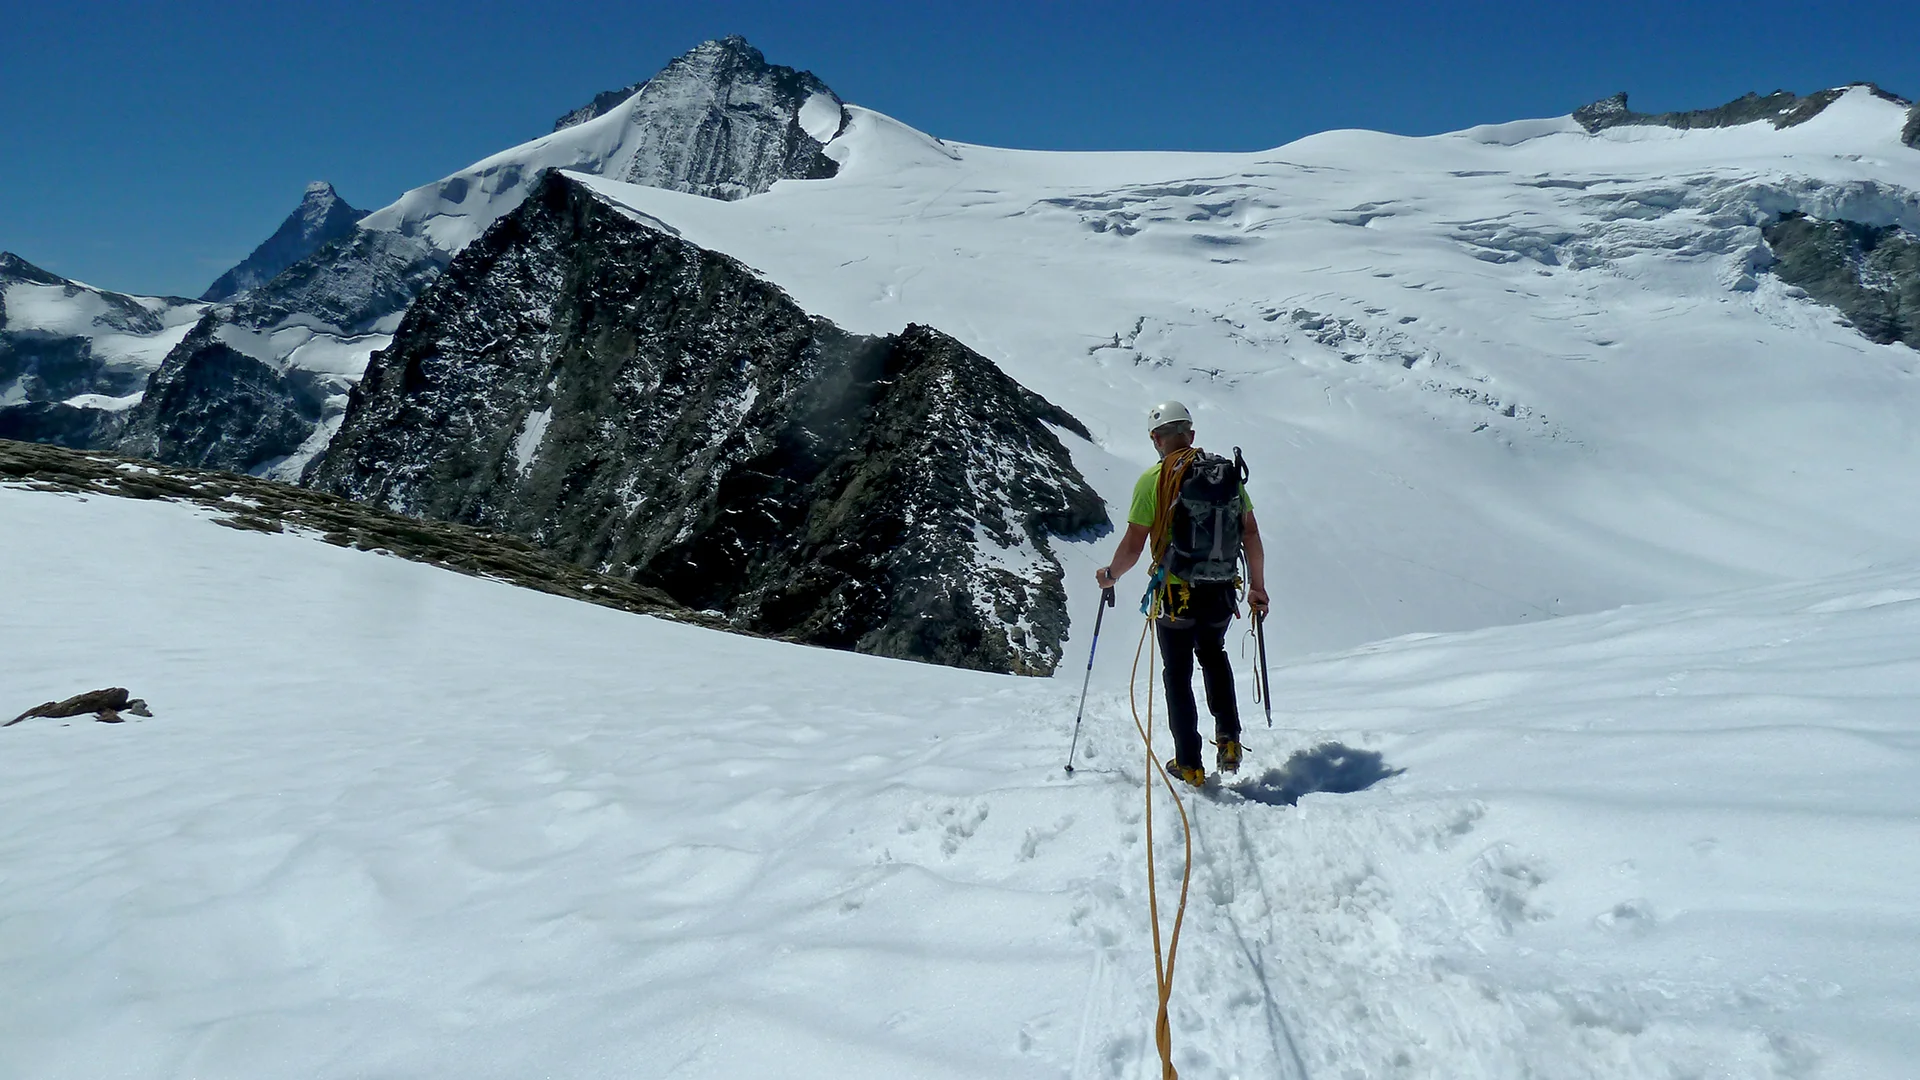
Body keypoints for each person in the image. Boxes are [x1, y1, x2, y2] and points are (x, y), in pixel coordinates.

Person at [1095, 401, 1268, 785]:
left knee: (1177, 673)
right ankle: (1229, 739)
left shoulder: (1152, 481)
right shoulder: (1226, 476)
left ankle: (1189, 764)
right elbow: (1250, 532)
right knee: (1213, 654)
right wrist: (1257, 587)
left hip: (1175, 594)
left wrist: (1110, 575)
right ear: (1190, 435)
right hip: (1222, 590)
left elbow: (1134, 544)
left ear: (1156, 439)